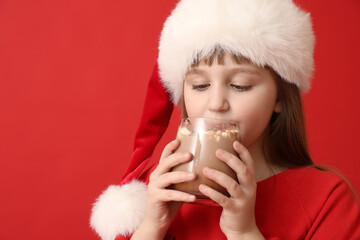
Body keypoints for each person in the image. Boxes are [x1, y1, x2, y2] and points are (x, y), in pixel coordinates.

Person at [90, 0, 360, 239]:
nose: (216, 103)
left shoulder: (326, 199)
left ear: (280, 97)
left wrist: (244, 233)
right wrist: (152, 226)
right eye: (199, 86)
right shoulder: (156, 195)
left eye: (240, 85)